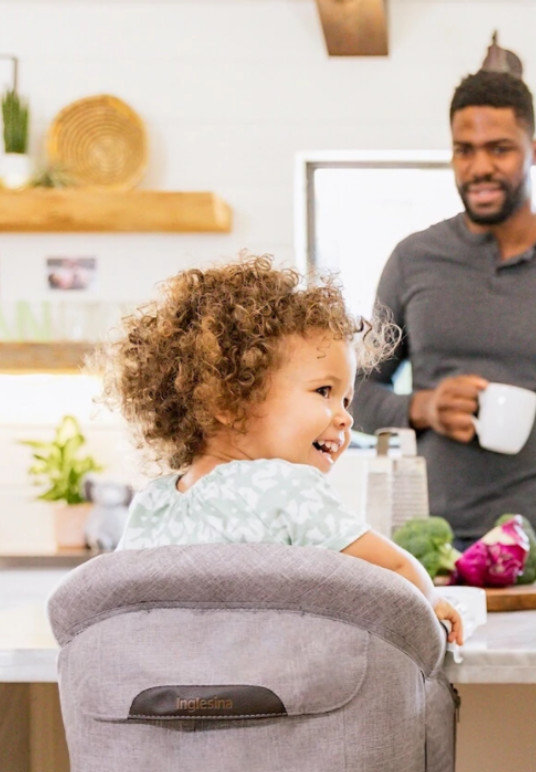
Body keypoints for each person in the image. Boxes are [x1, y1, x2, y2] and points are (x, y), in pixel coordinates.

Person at [352, 69, 536, 566]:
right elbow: (352, 396)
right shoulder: (413, 259)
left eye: (499, 148)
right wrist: (422, 408)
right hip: (422, 548)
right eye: (463, 150)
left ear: (534, 151)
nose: (478, 167)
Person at [102, 254, 463, 645]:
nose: (345, 419)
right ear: (226, 402)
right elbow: (396, 570)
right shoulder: (287, 486)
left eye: (346, 400)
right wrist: (432, 599)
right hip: (274, 701)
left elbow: (117, 615)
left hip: (168, 698)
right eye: (324, 391)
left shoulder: (151, 503)